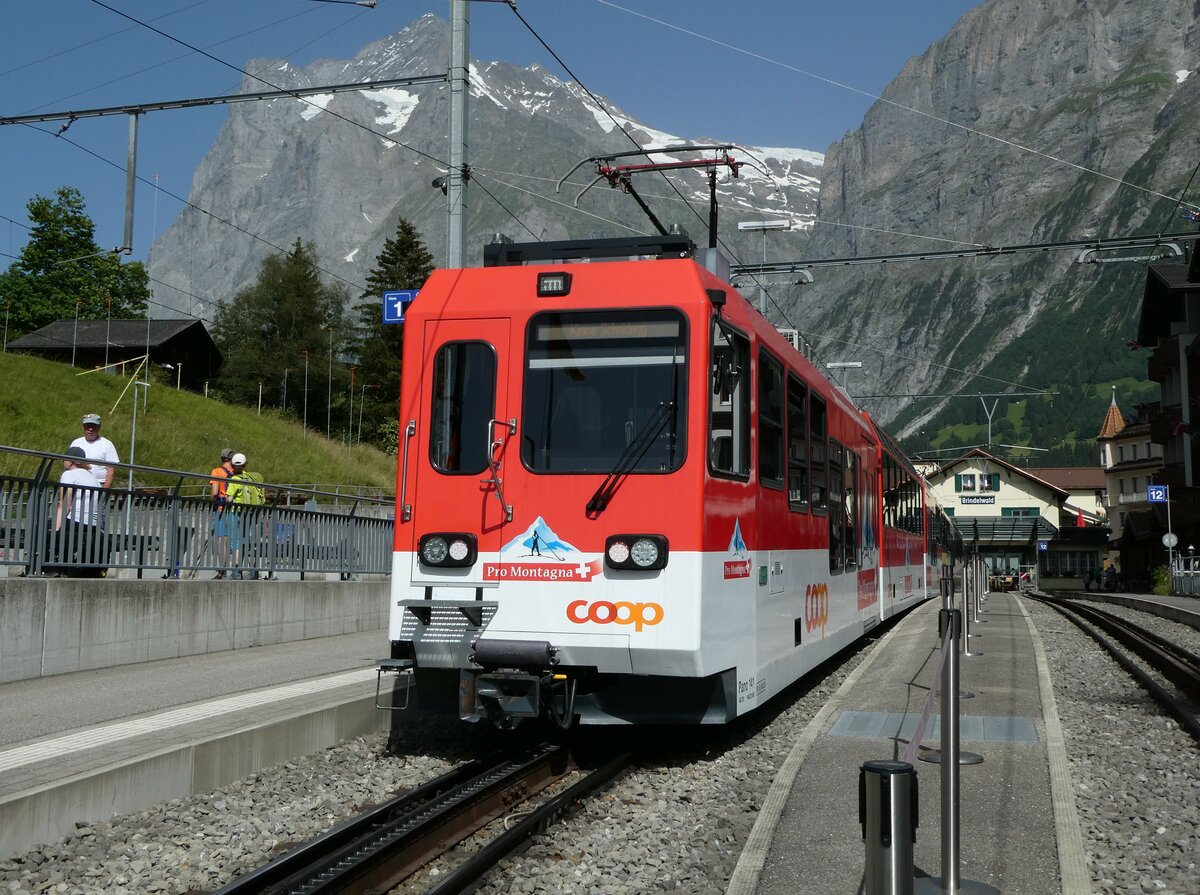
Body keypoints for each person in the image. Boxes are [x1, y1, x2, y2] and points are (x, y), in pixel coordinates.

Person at [52, 445, 103, 577]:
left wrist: (56, 529)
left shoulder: (69, 475)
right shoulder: (93, 478)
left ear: (70, 461)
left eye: (65, 459)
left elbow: (65, 505)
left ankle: (47, 568)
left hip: (77, 522)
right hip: (94, 525)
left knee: (41, 530)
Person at [225, 453, 265, 579]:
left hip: (237, 512)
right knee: (247, 542)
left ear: (232, 465)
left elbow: (229, 499)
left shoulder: (234, 480)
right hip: (250, 513)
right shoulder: (249, 478)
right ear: (244, 465)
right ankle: (253, 570)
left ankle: (237, 571)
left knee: (236, 542)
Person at [70, 413, 119, 489]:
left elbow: (111, 471)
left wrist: (103, 491)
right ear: (83, 427)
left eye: (93, 427)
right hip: (78, 484)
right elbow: (68, 464)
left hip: (99, 485)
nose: (90, 429)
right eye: (88, 426)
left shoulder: (107, 444)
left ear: (99, 427)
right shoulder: (76, 443)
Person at [208, 448, 235, 578]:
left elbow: (214, 492)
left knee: (221, 539)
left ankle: (222, 569)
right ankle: (238, 571)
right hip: (236, 510)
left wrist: (212, 503)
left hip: (222, 509)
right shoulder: (239, 472)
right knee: (237, 540)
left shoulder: (217, 471)